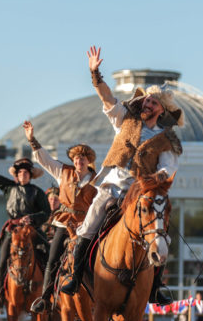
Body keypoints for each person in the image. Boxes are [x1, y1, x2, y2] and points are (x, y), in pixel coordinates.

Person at [61, 46, 184, 305]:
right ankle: (75, 276)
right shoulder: (125, 119)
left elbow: (168, 169)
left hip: (140, 193)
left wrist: (152, 180)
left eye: (153, 102)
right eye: (146, 100)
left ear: (161, 110)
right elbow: (107, 99)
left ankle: (155, 287)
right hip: (112, 187)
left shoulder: (167, 140)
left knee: (160, 232)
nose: (147, 103)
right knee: (89, 225)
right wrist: (95, 73)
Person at [23, 121, 97, 313]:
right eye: (76, 158)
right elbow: (44, 159)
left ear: (89, 161)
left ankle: (100, 296)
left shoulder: (98, 179)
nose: (79, 161)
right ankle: (45, 298)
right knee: (53, 258)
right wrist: (32, 139)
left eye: (83, 158)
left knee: (96, 258)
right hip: (64, 224)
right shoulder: (63, 172)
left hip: (86, 227)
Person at [0, 141, 51, 309]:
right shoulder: (8, 188)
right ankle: (0, 294)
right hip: (12, 231)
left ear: (30, 175)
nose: (23, 174)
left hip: (32, 230)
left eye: (26, 172)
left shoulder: (37, 192)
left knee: (49, 254)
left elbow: (46, 213)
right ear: (17, 175)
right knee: (2, 261)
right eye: (20, 172)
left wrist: (32, 218)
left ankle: (48, 293)